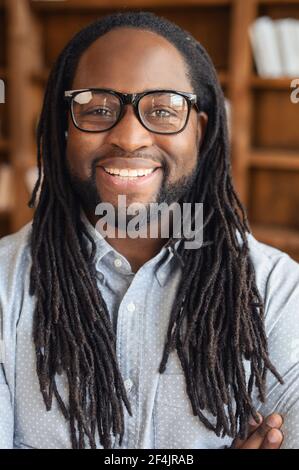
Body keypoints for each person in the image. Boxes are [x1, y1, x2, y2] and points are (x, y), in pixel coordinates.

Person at [0, 11, 298, 450]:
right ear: (64, 128)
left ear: (201, 129)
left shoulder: (276, 291)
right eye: (97, 108)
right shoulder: (4, 285)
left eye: (163, 109)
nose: (129, 136)